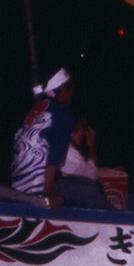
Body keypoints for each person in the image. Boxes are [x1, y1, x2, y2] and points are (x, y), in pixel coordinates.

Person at [10, 68, 111, 210]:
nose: (71, 94)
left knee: (79, 184)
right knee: (88, 189)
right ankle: (114, 221)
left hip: (18, 182)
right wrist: (48, 192)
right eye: (69, 89)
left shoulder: (39, 108)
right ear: (62, 90)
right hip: (37, 184)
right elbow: (54, 157)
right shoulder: (63, 113)